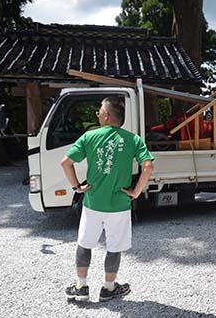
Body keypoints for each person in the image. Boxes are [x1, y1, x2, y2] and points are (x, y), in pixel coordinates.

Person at [61, 97, 154, 302]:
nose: (98, 115)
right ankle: (109, 288)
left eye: (99, 112)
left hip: (93, 201)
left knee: (85, 243)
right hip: (120, 203)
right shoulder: (133, 139)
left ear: (106, 115)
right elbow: (148, 167)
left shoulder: (89, 136)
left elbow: (66, 162)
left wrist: (77, 187)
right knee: (114, 246)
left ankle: (81, 287)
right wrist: (136, 192)